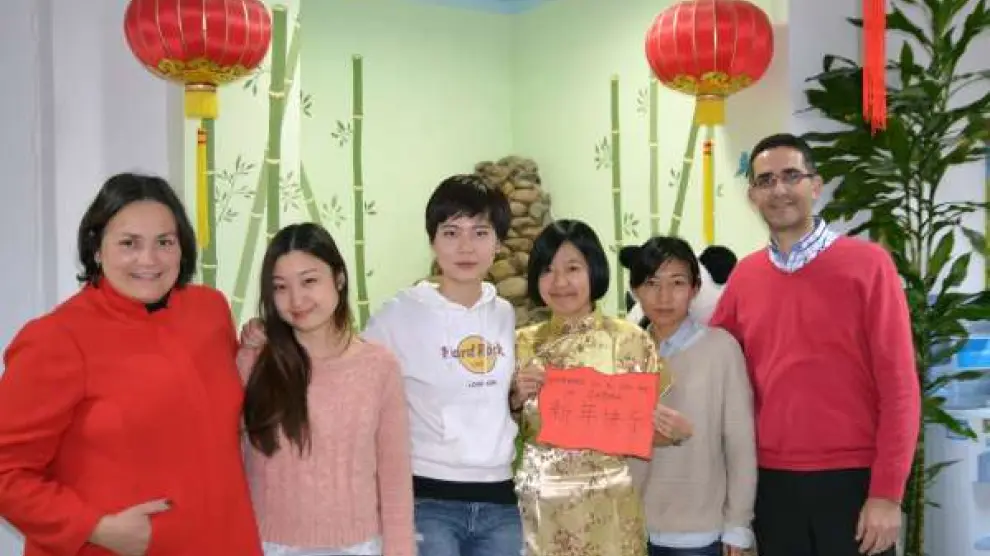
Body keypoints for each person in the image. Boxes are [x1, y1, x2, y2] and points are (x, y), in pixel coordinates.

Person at [0, 173, 261, 556]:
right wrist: (95, 528)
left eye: (164, 242)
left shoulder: (210, 310)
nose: (148, 260)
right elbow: (6, 472)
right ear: (96, 249)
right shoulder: (56, 338)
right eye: (129, 243)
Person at [709, 133, 920, 556]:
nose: (779, 190)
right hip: (770, 484)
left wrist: (887, 494)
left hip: (854, 481)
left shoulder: (869, 265)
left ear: (816, 185)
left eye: (791, 176)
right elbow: (712, 365)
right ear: (752, 195)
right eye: (765, 180)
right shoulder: (745, 278)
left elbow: (900, 387)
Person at [510, 219, 692, 556]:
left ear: (594, 270)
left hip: (610, 510)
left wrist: (676, 432)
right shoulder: (518, 345)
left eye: (572, 268)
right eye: (548, 270)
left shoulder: (631, 340)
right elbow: (497, 432)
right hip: (539, 511)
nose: (560, 282)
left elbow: (644, 429)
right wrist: (515, 400)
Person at [238, 222, 414, 556]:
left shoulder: (380, 366)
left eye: (309, 281)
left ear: (339, 278)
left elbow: (395, 478)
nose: (296, 299)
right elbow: (229, 458)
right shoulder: (254, 362)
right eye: (280, 287)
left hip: (358, 547)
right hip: (269, 546)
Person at [621, 237, 756, 556]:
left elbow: (740, 444)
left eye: (677, 283)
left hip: (700, 534)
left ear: (695, 288)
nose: (664, 296)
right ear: (636, 290)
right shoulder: (626, 353)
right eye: (651, 283)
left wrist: (738, 524)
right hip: (634, 529)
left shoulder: (721, 349)